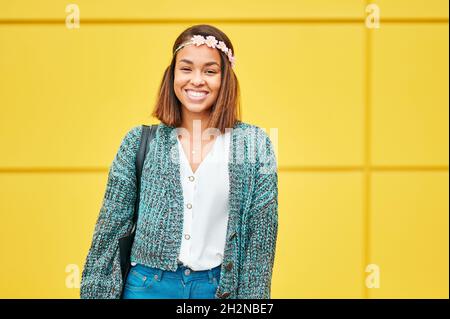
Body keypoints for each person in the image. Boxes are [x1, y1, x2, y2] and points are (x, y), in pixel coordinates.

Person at [80, 24, 278, 299]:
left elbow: (260, 244)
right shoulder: (138, 141)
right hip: (145, 287)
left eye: (210, 71)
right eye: (186, 69)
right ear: (172, 75)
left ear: (225, 79)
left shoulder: (254, 145)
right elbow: (109, 232)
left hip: (218, 289)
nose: (197, 80)